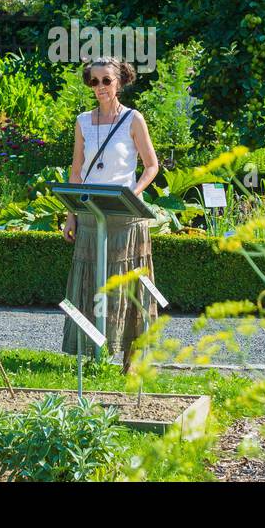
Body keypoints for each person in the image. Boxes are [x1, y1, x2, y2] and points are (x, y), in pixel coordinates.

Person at [61, 57, 160, 371]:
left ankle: (132, 357)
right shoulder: (82, 121)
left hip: (125, 216)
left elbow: (151, 165)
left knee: (127, 285)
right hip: (91, 213)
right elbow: (76, 172)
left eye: (106, 80)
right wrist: (71, 214)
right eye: (94, 81)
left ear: (120, 82)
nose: (100, 87)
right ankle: (91, 357)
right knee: (91, 283)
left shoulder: (133, 119)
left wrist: (135, 192)